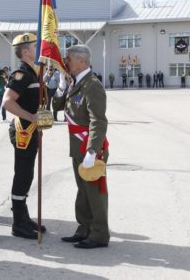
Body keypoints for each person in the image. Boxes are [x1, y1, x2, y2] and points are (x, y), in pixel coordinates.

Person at [53, 45, 109, 249]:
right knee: (83, 191)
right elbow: (56, 107)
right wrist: (60, 86)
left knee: (95, 193)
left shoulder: (92, 85)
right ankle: (84, 228)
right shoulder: (75, 82)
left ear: (82, 61)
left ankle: (99, 235)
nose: (65, 62)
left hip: (89, 147)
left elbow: (98, 121)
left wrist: (92, 150)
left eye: (68, 59)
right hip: (78, 146)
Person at [2, 32, 46, 239]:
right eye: (35, 45)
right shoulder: (22, 74)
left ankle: (24, 216)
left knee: (27, 173)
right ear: (26, 51)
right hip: (23, 130)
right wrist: (31, 117)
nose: (39, 48)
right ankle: (18, 222)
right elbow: (7, 102)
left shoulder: (33, 72)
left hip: (31, 130)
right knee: (22, 174)